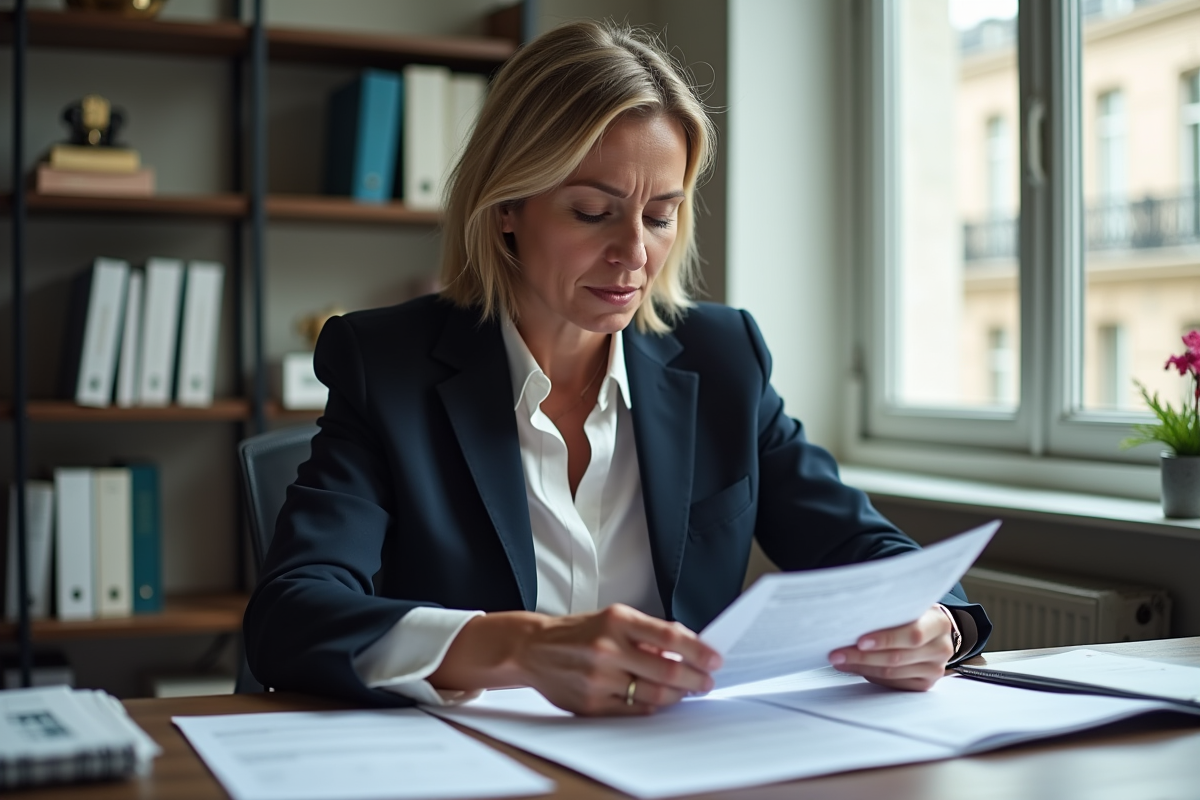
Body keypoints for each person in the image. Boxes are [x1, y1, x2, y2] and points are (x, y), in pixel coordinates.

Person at [244, 19, 991, 716]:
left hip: (681, 764)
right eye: (592, 211)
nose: (634, 253)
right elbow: (292, 614)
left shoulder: (722, 358)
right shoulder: (388, 366)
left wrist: (938, 623)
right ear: (508, 206)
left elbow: (864, 548)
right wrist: (521, 647)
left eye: (660, 215)